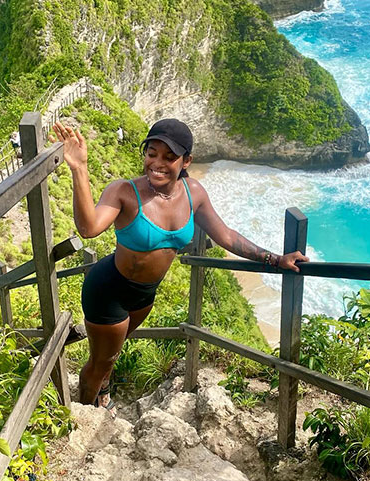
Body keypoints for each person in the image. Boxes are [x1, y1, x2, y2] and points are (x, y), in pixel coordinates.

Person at [51, 117, 309, 416]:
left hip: (145, 295)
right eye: (151, 154)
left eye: (169, 157)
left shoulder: (193, 193)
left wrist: (276, 259)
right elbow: (89, 228)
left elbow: (225, 236)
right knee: (101, 361)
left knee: (112, 353)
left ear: (186, 161)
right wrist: (79, 169)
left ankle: (103, 389)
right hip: (109, 290)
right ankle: (81, 416)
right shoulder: (123, 191)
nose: (157, 163)